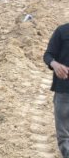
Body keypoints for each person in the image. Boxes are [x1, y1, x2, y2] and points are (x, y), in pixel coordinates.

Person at [43, 23, 69, 157]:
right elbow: (48, 55)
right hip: (64, 90)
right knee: (64, 134)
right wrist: (55, 64)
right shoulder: (62, 31)